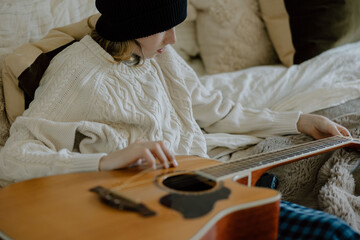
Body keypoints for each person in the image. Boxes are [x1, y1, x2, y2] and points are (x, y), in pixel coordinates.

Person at [0, 0, 358, 239]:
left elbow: (218, 111)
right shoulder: (78, 73)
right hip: (134, 213)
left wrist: (298, 122)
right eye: (164, 28)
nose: (173, 39)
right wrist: (106, 160)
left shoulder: (162, 56)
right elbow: (14, 155)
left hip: (197, 192)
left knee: (332, 232)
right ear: (133, 26)